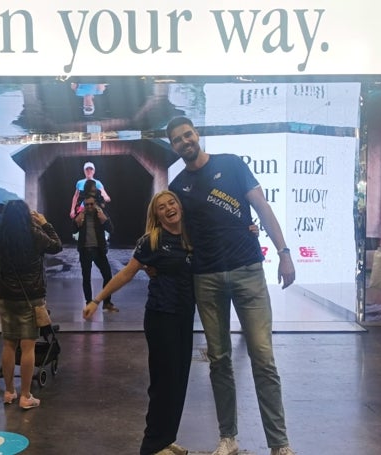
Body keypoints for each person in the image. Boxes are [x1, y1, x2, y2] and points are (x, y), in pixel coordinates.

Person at [167, 116, 296, 455]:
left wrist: (284, 252)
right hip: (206, 278)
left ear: (197, 135)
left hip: (247, 272)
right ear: (173, 146)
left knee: (263, 358)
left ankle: (279, 444)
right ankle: (228, 438)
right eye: (177, 140)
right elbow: (178, 235)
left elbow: (262, 209)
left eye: (188, 135)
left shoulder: (232, 165)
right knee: (219, 361)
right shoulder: (177, 187)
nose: (185, 142)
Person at [83, 191, 194, 455]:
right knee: (162, 382)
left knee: (179, 380)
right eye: (161, 207)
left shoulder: (193, 237)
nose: (168, 208)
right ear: (155, 215)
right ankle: (151, 445)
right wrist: (98, 299)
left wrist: (248, 230)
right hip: (160, 317)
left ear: (179, 205)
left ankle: (166, 439)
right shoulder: (151, 241)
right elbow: (126, 273)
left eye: (172, 203)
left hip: (184, 317)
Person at [0, 200, 62, 410]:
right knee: (27, 346)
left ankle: (9, 391)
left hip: (5, 296)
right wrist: (45, 224)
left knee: (9, 344)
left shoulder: (0, 237)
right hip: (31, 297)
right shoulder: (34, 234)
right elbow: (56, 245)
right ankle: (26, 395)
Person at [72, 195, 118, 312]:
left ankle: (106, 302)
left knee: (108, 276)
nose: (89, 206)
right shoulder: (81, 215)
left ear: (95, 204)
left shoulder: (101, 215)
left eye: (91, 204)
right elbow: (72, 231)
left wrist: (105, 220)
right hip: (85, 251)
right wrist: (76, 222)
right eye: (87, 204)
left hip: (99, 251)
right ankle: (88, 302)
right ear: (84, 205)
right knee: (86, 278)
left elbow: (111, 229)